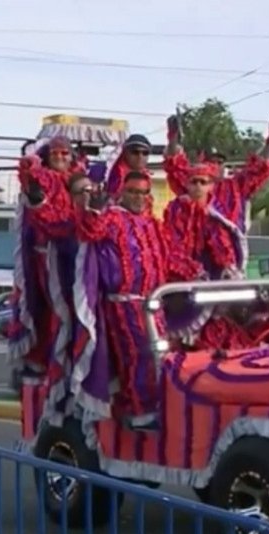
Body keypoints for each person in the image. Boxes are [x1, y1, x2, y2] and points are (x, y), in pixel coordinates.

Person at [74, 170, 205, 425]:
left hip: (154, 303)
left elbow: (170, 258)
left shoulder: (152, 224)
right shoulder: (111, 217)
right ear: (123, 191)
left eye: (143, 193)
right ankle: (139, 412)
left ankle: (157, 407)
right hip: (124, 303)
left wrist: (198, 274)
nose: (138, 197)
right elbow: (90, 232)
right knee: (139, 354)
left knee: (162, 356)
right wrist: (95, 212)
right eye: (133, 191)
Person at [163, 112, 269, 275]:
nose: (216, 165)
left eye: (220, 162)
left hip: (229, 265)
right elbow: (174, 163)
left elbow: (260, 167)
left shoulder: (236, 186)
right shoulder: (191, 183)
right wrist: (173, 139)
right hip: (191, 265)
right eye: (211, 161)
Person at [8, 136, 84, 389]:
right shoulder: (42, 177)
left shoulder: (79, 180)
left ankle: (68, 363)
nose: (60, 158)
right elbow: (28, 176)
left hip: (75, 255)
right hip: (45, 257)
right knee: (47, 310)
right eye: (56, 154)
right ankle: (42, 363)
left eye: (65, 153)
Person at [104, 134, 152, 201]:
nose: (140, 157)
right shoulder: (116, 175)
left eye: (145, 153)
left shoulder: (146, 176)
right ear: (125, 153)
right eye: (135, 152)